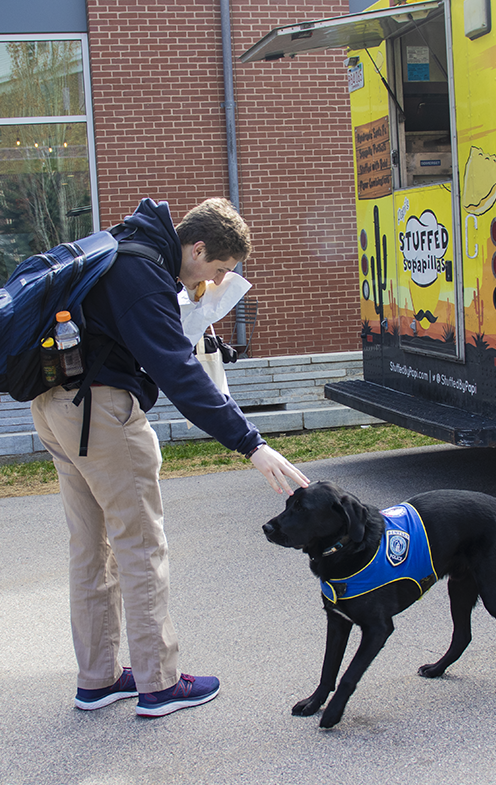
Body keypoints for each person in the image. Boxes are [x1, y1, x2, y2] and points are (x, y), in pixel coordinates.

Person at [31, 198, 310, 719]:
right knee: (141, 546)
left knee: (90, 547)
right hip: (102, 415)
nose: (216, 281)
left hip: (55, 407)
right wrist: (252, 443)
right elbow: (181, 375)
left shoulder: (124, 247)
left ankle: (99, 679)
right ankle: (158, 684)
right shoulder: (144, 277)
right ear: (198, 248)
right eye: (219, 269)